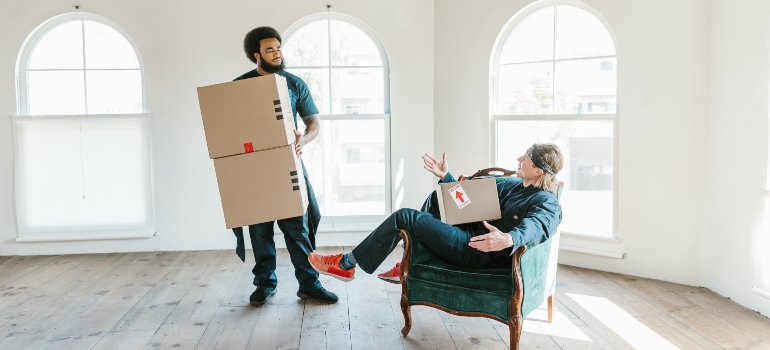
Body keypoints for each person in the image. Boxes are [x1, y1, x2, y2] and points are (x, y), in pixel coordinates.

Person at [307, 143, 563, 283]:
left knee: (404, 216)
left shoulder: (546, 201)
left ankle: (346, 263)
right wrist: (446, 177)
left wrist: (510, 239)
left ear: (539, 171)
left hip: (479, 251)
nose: (520, 158)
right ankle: (412, 260)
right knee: (436, 198)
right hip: (468, 232)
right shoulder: (513, 184)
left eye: (527, 157)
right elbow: (469, 201)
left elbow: (539, 226)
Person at [230, 27, 337, 305]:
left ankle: (309, 285)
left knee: (297, 229)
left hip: (287, 166)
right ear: (257, 55)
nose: (277, 53)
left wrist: (304, 140)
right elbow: (230, 129)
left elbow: (313, 124)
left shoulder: (294, 83)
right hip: (255, 171)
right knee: (260, 230)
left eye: (278, 48)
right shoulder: (240, 87)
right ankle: (264, 284)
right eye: (270, 50)